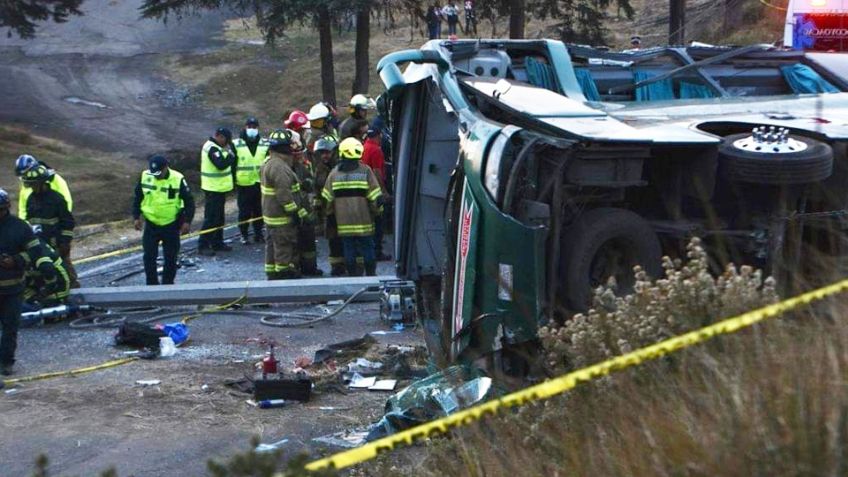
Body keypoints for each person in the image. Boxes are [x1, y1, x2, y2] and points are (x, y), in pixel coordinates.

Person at [0, 187, 59, 378]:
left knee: (10, 327)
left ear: (7, 206)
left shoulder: (20, 227)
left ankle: (6, 362)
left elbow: (35, 251)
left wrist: (16, 260)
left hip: (13, 288)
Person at [14, 154, 78, 288]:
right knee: (40, 267)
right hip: (38, 237)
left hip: (56, 235)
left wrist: (64, 240)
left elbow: (66, 213)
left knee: (63, 264)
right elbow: (24, 210)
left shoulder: (56, 189)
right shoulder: (30, 193)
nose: (26, 184)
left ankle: (71, 290)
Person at [322, 138, 383, 276]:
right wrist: (377, 212)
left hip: (343, 222)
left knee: (348, 249)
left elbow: (327, 198)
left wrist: (330, 216)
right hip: (364, 220)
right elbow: (375, 197)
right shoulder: (365, 171)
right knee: (368, 248)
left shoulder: (334, 173)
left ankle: (353, 276)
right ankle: (371, 275)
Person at [132, 155, 195, 286]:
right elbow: (138, 197)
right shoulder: (145, 176)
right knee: (149, 257)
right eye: (154, 173)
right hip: (151, 224)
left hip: (171, 224)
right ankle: (151, 285)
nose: (156, 176)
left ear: (166, 167)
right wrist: (136, 216)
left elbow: (189, 202)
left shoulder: (177, 179)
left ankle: (168, 284)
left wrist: (187, 222)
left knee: (171, 257)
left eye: (159, 173)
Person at [261, 130, 309, 280]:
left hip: (271, 216)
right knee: (284, 247)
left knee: (272, 247)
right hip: (281, 218)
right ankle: (283, 275)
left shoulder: (269, 163)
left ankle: (272, 273)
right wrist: (295, 212)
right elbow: (284, 195)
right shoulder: (279, 167)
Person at [21, 165, 75, 265]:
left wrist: (64, 243)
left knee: (66, 273)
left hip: (57, 245)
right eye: (30, 185)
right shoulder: (31, 199)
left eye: (34, 184)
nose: (32, 187)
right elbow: (30, 221)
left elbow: (68, 222)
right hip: (39, 245)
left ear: (41, 183)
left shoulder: (56, 199)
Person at [198, 127, 236, 256]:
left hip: (219, 188)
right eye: (226, 140)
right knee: (211, 218)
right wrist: (230, 156)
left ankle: (217, 242)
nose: (226, 143)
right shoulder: (212, 148)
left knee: (219, 218)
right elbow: (220, 164)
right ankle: (203, 245)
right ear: (219, 137)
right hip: (212, 189)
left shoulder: (217, 148)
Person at [232, 117, 269, 244]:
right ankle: (244, 234)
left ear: (258, 128)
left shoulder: (265, 143)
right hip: (244, 184)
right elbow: (232, 164)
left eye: (254, 127)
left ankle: (258, 233)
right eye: (250, 127)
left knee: (259, 210)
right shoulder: (236, 144)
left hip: (260, 182)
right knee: (244, 212)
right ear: (245, 127)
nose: (252, 129)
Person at [361, 124, 391, 261]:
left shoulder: (364, 147)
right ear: (379, 136)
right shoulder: (376, 150)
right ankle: (377, 251)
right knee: (378, 222)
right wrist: (384, 192)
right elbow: (377, 172)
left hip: (363, 190)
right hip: (374, 190)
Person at [14, 154, 73, 222]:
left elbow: (67, 201)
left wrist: (63, 221)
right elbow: (23, 207)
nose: (24, 178)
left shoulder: (56, 180)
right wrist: (24, 226)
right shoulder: (25, 185)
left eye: (25, 174)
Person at [23, 238, 70, 310]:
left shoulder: (38, 253)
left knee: (47, 307)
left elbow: (48, 271)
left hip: (58, 283)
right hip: (38, 281)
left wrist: (43, 293)